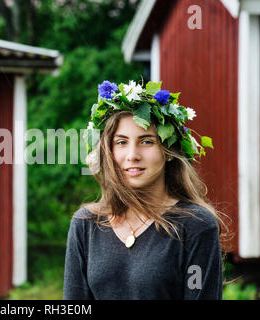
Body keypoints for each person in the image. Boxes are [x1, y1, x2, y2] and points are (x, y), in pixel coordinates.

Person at [63, 80, 229, 300]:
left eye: (147, 141)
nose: (132, 155)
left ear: (168, 150)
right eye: (121, 142)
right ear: (109, 151)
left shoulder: (195, 225)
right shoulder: (86, 225)